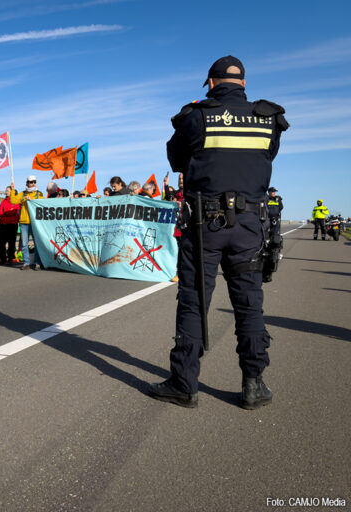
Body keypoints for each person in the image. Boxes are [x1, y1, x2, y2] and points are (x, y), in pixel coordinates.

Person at [148, 55, 289, 409]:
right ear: (243, 83)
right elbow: (267, 158)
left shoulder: (196, 116)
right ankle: (254, 385)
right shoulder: (268, 118)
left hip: (205, 225)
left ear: (211, 83)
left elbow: (176, 159)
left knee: (194, 302)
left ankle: (184, 384)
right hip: (249, 226)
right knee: (249, 303)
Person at [10, 175, 45, 270]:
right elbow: (13, 201)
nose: (33, 183)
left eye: (34, 181)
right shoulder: (23, 194)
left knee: (37, 243)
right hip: (24, 222)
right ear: (27, 183)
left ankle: (38, 263)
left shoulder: (39, 194)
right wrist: (13, 190)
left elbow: (43, 204)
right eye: (30, 182)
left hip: (35, 222)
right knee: (24, 244)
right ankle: (26, 263)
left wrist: (33, 200)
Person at [0, 186, 20, 265]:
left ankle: (10, 259)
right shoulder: (4, 201)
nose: (6, 192)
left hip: (12, 224)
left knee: (11, 243)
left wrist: (5, 213)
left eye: (7, 191)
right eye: (6, 190)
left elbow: (15, 211)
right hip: (3, 224)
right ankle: (3, 259)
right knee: (1, 242)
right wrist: (7, 213)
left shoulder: (16, 201)